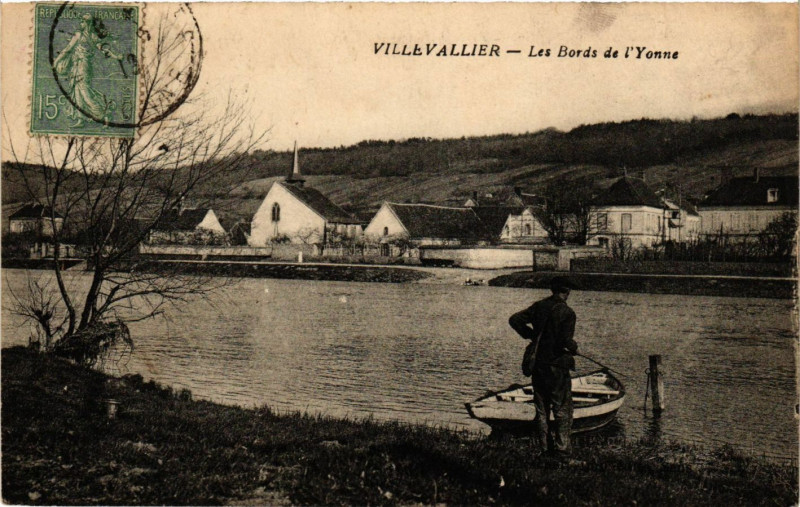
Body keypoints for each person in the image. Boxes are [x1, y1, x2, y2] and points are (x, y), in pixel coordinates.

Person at [509, 276, 578, 457]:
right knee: (562, 408)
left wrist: (531, 335)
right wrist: (574, 347)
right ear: (567, 291)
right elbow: (565, 342)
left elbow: (514, 319)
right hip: (557, 366)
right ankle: (562, 451)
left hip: (538, 365)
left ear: (552, 290)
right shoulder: (568, 313)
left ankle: (544, 449)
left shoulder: (539, 306)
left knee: (541, 410)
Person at [53, 14, 123, 127]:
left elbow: (68, 49)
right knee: (77, 92)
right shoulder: (88, 36)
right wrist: (115, 56)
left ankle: (104, 114)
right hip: (77, 66)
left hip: (83, 66)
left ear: (88, 23)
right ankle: (81, 119)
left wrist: (56, 61)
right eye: (81, 20)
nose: (81, 23)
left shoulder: (83, 35)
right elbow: (68, 49)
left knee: (85, 92)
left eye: (83, 21)